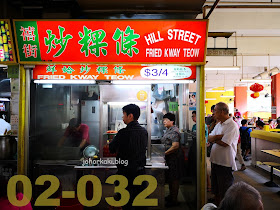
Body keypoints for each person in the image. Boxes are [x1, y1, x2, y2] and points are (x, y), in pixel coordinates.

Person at [109, 104, 148, 210]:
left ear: (130, 116)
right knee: (140, 205)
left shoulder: (123, 132)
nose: (122, 117)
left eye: (124, 114)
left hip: (125, 175)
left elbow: (111, 149)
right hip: (140, 174)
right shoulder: (144, 132)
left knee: (126, 204)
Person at [208, 102, 239, 206]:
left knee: (225, 192)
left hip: (225, 163)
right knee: (216, 190)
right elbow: (209, 137)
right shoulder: (219, 124)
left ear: (222, 112)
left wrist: (215, 138)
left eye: (215, 111)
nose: (213, 113)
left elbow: (225, 143)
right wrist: (218, 136)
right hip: (215, 161)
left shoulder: (232, 125)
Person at [161, 112, 184, 207]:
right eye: (163, 120)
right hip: (170, 158)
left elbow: (175, 146)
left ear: (172, 121)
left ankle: (174, 200)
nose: (164, 122)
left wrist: (164, 154)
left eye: (166, 120)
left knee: (174, 179)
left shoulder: (174, 131)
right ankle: (171, 196)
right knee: (171, 178)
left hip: (174, 159)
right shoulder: (168, 130)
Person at [191, 111, 211, 191]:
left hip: (202, 147)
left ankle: (208, 185)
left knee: (203, 166)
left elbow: (205, 136)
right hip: (195, 147)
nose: (192, 118)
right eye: (192, 116)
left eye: (194, 116)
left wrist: (205, 144)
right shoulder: (194, 126)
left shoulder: (203, 125)